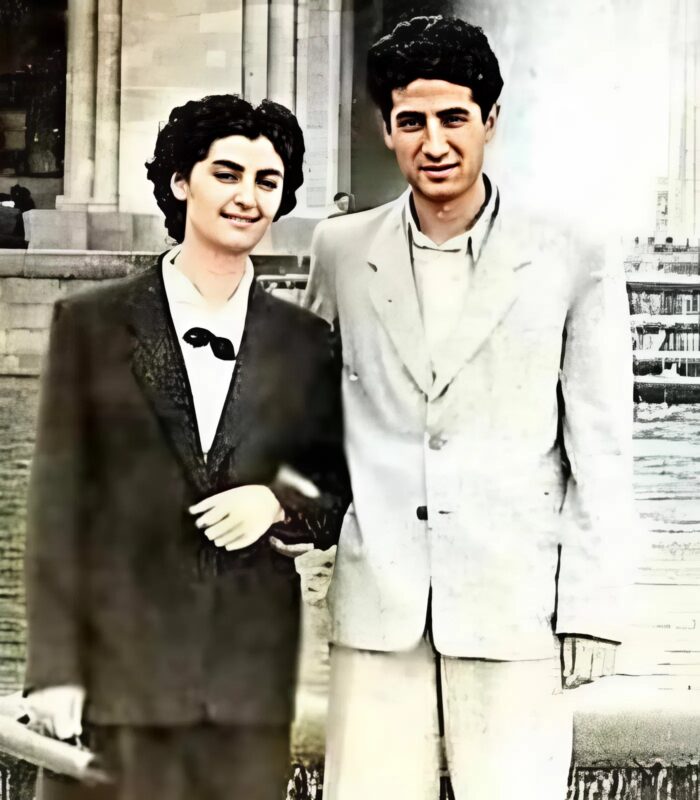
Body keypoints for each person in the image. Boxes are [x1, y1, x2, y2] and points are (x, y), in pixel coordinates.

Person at [303, 15, 635, 800]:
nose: (435, 143)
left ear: (490, 120)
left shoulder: (573, 252)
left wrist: (592, 608)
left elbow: (601, 446)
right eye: (412, 121)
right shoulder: (340, 250)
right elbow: (307, 419)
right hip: (377, 607)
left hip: (516, 604)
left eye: (454, 118)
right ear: (386, 129)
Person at [24, 93, 348, 800]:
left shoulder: (305, 341)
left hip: (244, 685)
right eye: (226, 174)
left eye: (267, 181)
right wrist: (53, 670)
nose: (247, 197)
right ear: (180, 181)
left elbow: (335, 483)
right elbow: (56, 505)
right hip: (114, 676)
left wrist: (276, 502)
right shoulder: (90, 323)